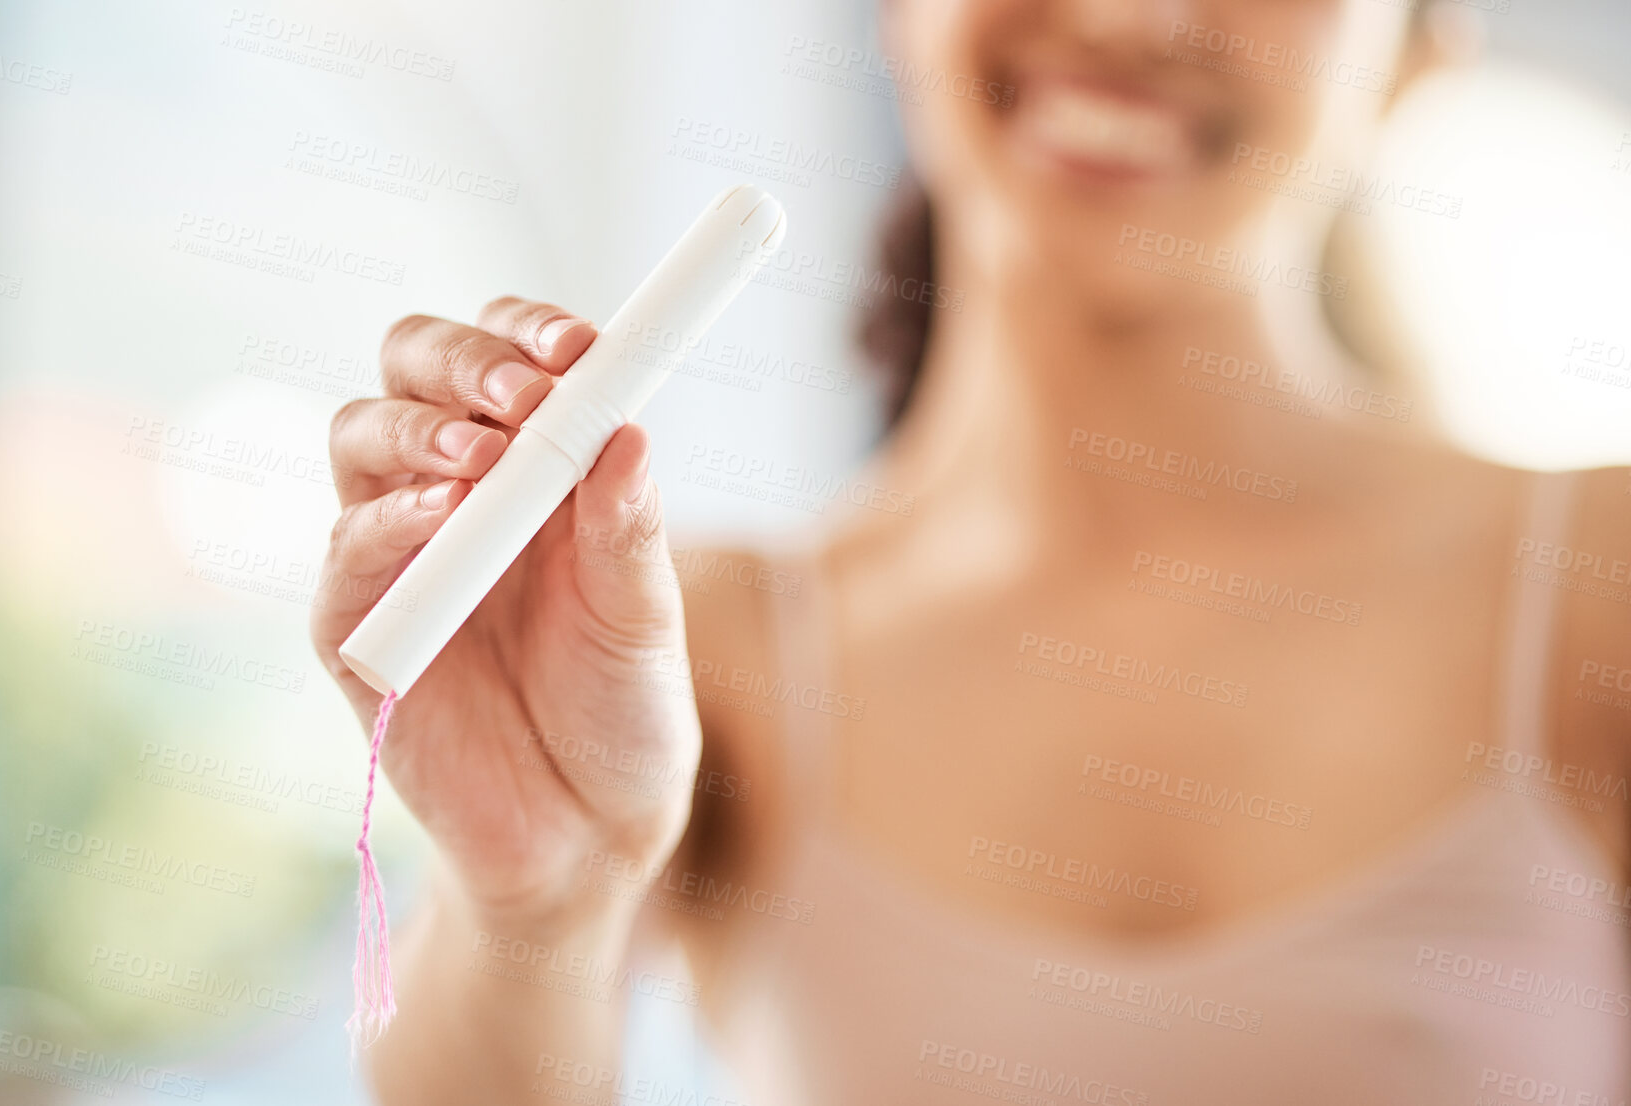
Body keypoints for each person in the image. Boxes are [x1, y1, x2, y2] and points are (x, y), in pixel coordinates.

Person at [311, 1, 1631, 1101]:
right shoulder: (681, 651)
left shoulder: (1599, 585)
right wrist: (528, 900)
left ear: (1415, 47)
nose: (1131, 15)